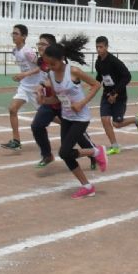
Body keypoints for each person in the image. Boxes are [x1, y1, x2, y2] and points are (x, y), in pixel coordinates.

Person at [39, 35, 108, 199]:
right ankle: (87, 186)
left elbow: (96, 85)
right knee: (66, 155)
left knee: (64, 151)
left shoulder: (74, 71)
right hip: (67, 117)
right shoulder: (51, 75)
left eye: (53, 64)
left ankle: (96, 151)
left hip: (80, 118)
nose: (51, 67)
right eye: (48, 64)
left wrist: (82, 103)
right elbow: (56, 99)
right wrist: (44, 100)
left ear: (62, 59)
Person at [29, 33, 96, 169]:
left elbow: (58, 80)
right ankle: (47, 155)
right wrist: (42, 97)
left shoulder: (63, 66)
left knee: (77, 136)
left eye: (43, 44)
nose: (40, 46)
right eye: (39, 43)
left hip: (65, 105)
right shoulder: (42, 62)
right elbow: (50, 79)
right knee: (37, 126)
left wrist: (42, 85)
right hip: (52, 102)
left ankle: (93, 154)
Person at [94, 36, 138, 156]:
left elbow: (127, 76)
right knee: (105, 119)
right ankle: (114, 146)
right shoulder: (98, 62)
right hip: (106, 95)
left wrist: (115, 93)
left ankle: (136, 119)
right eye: (97, 47)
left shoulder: (114, 61)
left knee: (117, 124)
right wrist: (94, 84)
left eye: (101, 47)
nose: (99, 49)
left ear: (106, 47)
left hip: (119, 96)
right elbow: (100, 77)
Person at [0, 24, 40, 150]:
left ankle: (69, 124)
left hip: (36, 87)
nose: (13, 36)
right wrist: (21, 76)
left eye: (16, 33)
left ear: (24, 36)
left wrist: (24, 74)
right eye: (13, 33)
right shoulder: (15, 51)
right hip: (24, 86)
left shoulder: (28, 52)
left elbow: (42, 67)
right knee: (12, 109)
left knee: (48, 115)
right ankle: (16, 141)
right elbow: (25, 68)